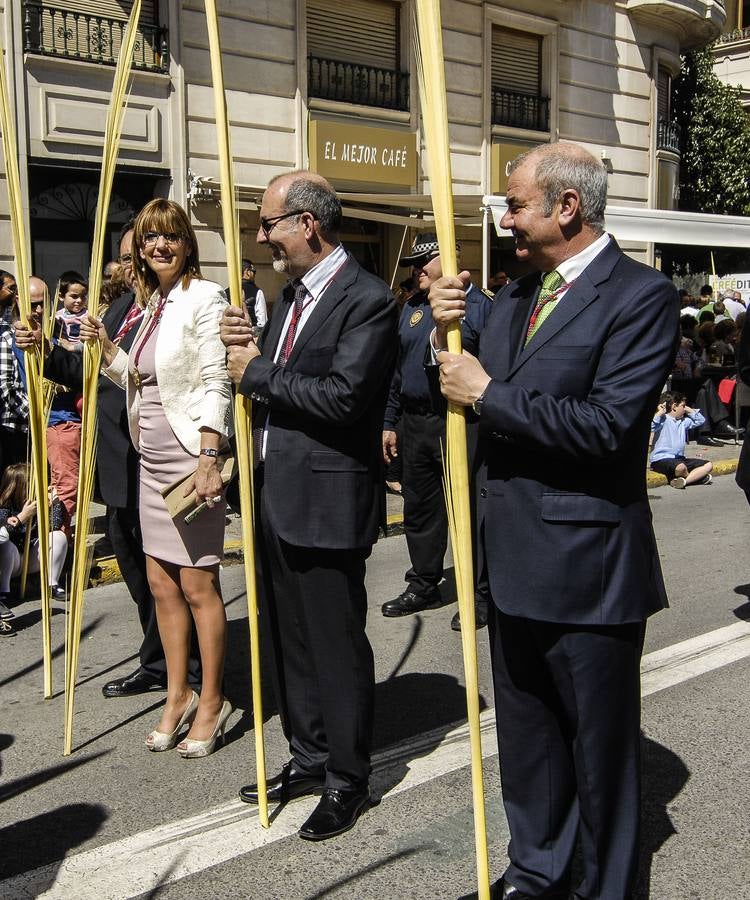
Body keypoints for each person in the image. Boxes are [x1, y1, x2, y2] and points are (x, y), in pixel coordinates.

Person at [430, 142, 679, 900]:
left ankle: (605, 887)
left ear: (566, 207)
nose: (505, 217)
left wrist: (486, 394)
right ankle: (536, 870)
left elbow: (606, 426)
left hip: (589, 568)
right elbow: (448, 385)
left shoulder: (641, 296)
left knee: (599, 753)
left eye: (515, 204)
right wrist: (438, 330)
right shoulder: (512, 296)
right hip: (511, 562)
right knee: (530, 740)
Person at [220, 171, 397, 840]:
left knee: (333, 643)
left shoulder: (367, 300)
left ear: (307, 225)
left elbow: (345, 397)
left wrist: (257, 372)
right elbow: (276, 381)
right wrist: (246, 347)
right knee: (289, 640)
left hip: (326, 499)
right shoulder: (288, 296)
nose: (261, 235)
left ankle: (348, 779)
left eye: (269, 224)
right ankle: (309, 756)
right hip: (275, 495)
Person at [17, 228, 203, 699]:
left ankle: (194, 670)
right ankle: (159, 660)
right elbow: (82, 371)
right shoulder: (118, 312)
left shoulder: (174, 307)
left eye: (130, 256)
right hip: (119, 467)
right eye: (122, 257)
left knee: (176, 576)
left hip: (160, 459)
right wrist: (40, 347)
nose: (124, 266)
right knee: (142, 575)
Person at [81, 199, 232, 757]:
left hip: (190, 457)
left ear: (186, 243)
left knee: (198, 586)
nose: (159, 247)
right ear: (140, 249)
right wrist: (104, 347)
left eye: (170, 237)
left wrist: (210, 455)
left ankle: (212, 699)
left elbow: (217, 380)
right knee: (162, 585)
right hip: (149, 463)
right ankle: (178, 693)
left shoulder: (204, 296)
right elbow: (139, 379)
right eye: (150, 240)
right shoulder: (150, 304)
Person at [381, 232, 492, 630]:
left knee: (467, 511)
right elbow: (398, 369)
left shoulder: (478, 306)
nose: (415, 270)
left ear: (446, 258)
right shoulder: (411, 306)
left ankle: (479, 592)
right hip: (415, 422)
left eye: (422, 262)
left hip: (459, 420)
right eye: (412, 264)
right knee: (421, 508)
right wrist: (390, 421)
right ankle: (424, 582)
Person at [0, 463, 69, 619]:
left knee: (58, 536)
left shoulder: (40, 502)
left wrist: (54, 504)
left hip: (32, 557)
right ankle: (4, 589)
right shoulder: (6, 505)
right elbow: (3, 534)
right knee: (7, 547)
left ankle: (52, 583)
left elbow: (55, 525)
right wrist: (23, 516)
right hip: (12, 561)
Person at [650, 392, 713, 488]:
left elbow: (700, 420)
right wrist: (659, 412)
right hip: (661, 459)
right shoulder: (663, 419)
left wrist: (689, 409)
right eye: (683, 406)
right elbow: (651, 427)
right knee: (681, 467)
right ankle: (697, 478)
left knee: (708, 465)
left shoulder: (683, 422)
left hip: (679, 459)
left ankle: (684, 482)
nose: (684, 409)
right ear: (674, 406)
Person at [54, 271, 88, 350]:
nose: (79, 300)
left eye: (83, 296)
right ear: (61, 296)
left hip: (83, 356)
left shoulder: (88, 316)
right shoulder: (57, 317)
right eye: (74, 296)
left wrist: (73, 348)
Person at [238, 259, 268, 329]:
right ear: (247, 272)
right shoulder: (257, 291)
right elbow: (262, 322)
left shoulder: (227, 291)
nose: (254, 275)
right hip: (250, 335)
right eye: (253, 272)